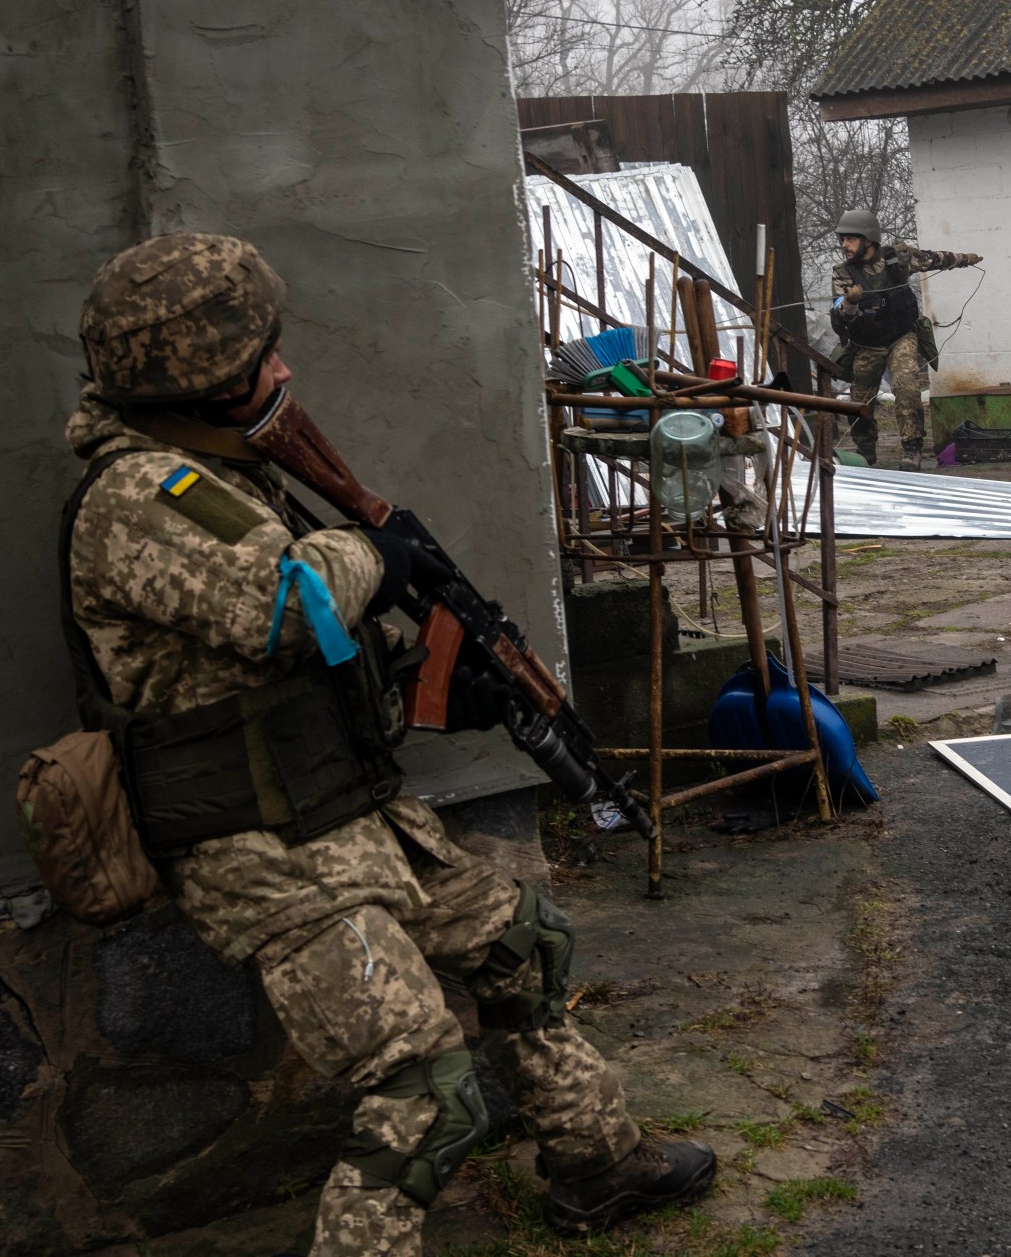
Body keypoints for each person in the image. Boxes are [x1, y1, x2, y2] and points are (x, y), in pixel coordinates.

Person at [62, 233, 712, 1254]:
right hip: (264, 850)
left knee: (520, 950)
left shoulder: (224, 475)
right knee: (425, 1093)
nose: (281, 371)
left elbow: (308, 654)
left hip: (345, 812)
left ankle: (596, 1162)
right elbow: (290, 606)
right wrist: (376, 548)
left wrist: (440, 679)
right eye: (258, 360)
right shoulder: (141, 497)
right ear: (200, 381)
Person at [828, 209, 981, 468]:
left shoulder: (896, 259)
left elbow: (934, 259)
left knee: (906, 385)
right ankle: (866, 451)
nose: (844, 245)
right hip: (866, 344)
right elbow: (840, 315)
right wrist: (851, 303)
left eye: (850, 239)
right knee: (859, 402)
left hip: (901, 336)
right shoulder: (843, 273)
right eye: (842, 239)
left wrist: (965, 259)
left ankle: (912, 449)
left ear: (868, 239)